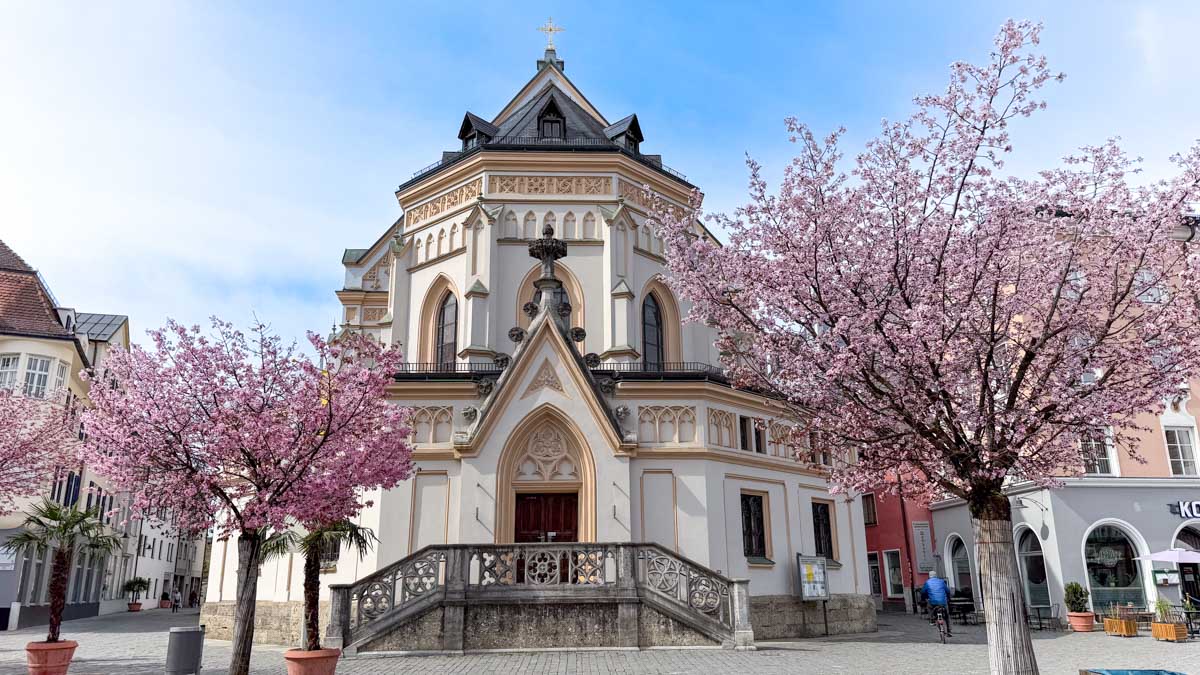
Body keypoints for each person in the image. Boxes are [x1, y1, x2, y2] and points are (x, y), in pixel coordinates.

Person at [922, 572, 952, 638]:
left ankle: (932, 620)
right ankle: (949, 631)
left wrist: (925, 598)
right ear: (936, 576)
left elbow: (923, 592)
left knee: (929, 607)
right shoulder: (941, 581)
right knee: (947, 615)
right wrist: (948, 598)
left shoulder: (927, 582)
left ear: (929, 576)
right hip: (943, 602)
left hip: (933, 602)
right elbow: (948, 591)